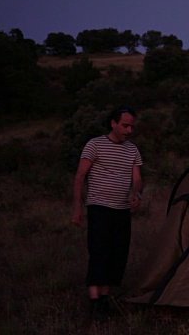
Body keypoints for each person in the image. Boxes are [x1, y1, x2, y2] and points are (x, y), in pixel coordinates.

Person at [72, 106, 143, 320]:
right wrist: (78, 206)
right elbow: (80, 176)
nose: (129, 130)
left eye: (132, 126)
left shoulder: (132, 150)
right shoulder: (95, 145)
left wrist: (137, 194)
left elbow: (137, 178)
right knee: (99, 252)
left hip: (121, 209)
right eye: (125, 125)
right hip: (99, 207)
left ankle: (104, 299)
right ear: (113, 123)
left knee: (117, 254)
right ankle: (94, 302)